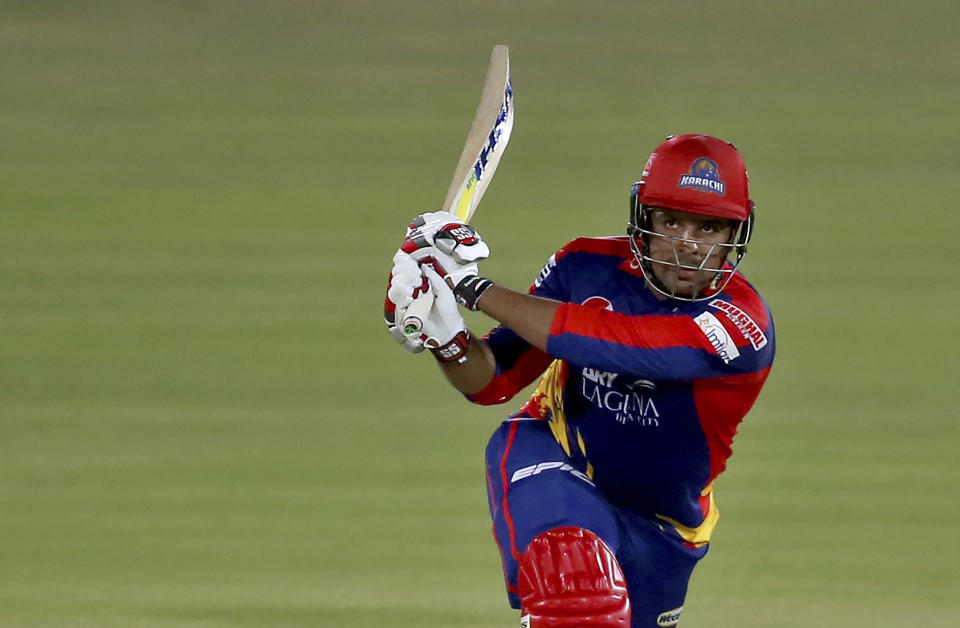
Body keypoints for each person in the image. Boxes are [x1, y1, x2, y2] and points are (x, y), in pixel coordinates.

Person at [384, 134, 775, 628]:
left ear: (737, 232)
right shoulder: (585, 266)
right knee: (578, 598)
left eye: (709, 227)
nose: (687, 244)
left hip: (662, 524)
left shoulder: (742, 324)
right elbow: (492, 381)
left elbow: (620, 343)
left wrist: (470, 286)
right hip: (554, 454)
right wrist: (447, 337)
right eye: (670, 220)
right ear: (643, 216)